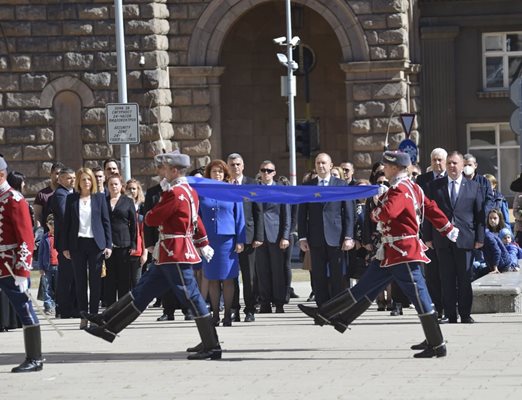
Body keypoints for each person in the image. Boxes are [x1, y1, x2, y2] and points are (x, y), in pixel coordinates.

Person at [299, 150, 459, 358]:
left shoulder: (400, 189)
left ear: (395, 168)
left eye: (387, 166)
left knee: (420, 295)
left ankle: (437, 344)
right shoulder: (413, 187)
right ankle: (330, 315)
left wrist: (377, 202)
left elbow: (385, 214)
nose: (384, 168)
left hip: (403, 252)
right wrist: (447, 228)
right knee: (366, 287)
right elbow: (431, 208)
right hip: (392, 251)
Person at [81, 151, 221, 360]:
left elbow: (153, 219)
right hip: (169, 252)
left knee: (191, 296)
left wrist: (151, 210)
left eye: (163, 168)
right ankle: (107, 323)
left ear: (174, 170)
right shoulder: (188, 191)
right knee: (143, 290)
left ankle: (212, 345)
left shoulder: (174, 193)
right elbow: (196, 220)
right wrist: (202, 242)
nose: (159, 171)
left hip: (176, 251)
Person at [423, 151, 485, 324]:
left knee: (465, 278)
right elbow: (428, 213)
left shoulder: (473, 186)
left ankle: (465, 314)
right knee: (446, 278)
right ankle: (450, 314)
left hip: (466, 239)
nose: (451, 166)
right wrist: (427, 237)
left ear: (462, 165)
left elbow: (479, 216)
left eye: (455, 163)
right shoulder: (435, 186)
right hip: (442, 240)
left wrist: (480, 238)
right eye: (449, 163)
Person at [0, 155, 41, 372]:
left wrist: (23, 271)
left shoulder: (14, 199)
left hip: (10, 265)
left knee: (24, 308)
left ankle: (35, 358)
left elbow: (26, 239)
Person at [298, 153, 355, 307]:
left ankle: (337, 306)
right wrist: (302, 237)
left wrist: (349, 236)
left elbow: (349, 212)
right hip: (315, 237)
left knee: (337, 275)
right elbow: (302, 213)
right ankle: (322, 307)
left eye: (323, 163)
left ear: (330, 165)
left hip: (336, 237)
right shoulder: (308, 186)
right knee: (318, 275)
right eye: (318, 163)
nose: (320, 166)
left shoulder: (341, 185)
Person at [63, 167, 112, 329]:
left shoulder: (99, 198)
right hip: (77, 244)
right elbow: (66, 225)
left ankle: (94, 316)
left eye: (89, 179)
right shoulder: (71, 199)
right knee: (80, 282)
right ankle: (83, 316)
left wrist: (108, 244)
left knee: (96, 282)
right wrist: (65, 246)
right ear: (78, 181)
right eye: (83, 179)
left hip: (96, 244)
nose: (86, 182)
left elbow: (106, 222)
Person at [198, 159, 245, 326]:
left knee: (228, 278)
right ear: (208, 174)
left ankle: (227, 315)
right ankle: (215, 314)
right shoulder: (202, 191)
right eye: (213, 171)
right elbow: (198, 217)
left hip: (227, 239)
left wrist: (240, 240)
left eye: (220, 171)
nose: (217, 174)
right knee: (211, 278)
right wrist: (199, 241)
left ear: (225, 174)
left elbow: (239, 217)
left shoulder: (232, 190)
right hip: (209, 240)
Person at [227, 153, 264, 323]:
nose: (235, 167)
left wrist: (259, 235)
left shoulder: (252, 184)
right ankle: (234, 308)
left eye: (238, 164)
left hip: (248, 236)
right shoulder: (224, 185)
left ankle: (250, 309)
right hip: (228, 237)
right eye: (232, 164)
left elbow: (258, 212)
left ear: (243, 166)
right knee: (231, 276)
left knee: (249, 277)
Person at [415, 147, 447, 320]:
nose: (437, 163)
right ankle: (438, 308)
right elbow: (421, 211)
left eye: (440, 160)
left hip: (449, 233)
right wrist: (426, 237)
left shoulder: (451, 179)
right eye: (434, 160)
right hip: (429, 234)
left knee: (448, 273)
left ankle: (451, 306)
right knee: (433, 274)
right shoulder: (423, 180)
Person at [256, 160, 291, 313]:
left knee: (277, 271)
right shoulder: (254, 189)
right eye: (263, 170)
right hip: (258, 236)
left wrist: (285, 236)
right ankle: (265, 302)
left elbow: (286, 215)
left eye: (269, 171)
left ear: (274, 173)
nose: (266, 173)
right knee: (262, 271)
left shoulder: (281, 189)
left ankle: (279, 302)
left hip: (276, 235)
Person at [47, 167, 78, 319]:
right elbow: (65, 216)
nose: (72, 180)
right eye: (68, 178)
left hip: (72, 241)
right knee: (66, 277)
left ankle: (71, 307)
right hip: (66, 242)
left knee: (73, 275)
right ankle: (64, 309)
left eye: (73, 177)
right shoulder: (60, 194)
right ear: (60, 180)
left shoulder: (71, 193)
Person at [105, 174, 137, 306]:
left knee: (124, 278)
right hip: (108, 245)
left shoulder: (127, 201)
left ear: (121, 186)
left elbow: (134, 224)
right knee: (109, 278)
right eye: (111, 184)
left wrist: (133, 244)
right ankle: (110, 306)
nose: (113, 187)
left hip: (124, 243)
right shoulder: (103, 201)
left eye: (116, 184)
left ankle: (123, 306)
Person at [125, 178, 148, 287]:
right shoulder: (122, 205)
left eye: (134, 188)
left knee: (137, 278)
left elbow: (145, 232)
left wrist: (145, 252)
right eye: (129, 189)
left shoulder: (143, 207)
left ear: (138, 190)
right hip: (125, 246)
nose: (132, 191)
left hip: (139, 247)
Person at [37, 214, 59, 315]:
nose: (53, 226)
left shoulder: (61, 237)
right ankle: (48, 307)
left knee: (58, 287)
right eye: (51, 224)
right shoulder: (45, 238)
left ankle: (58, 305)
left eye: (55, 223)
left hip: (59, 266)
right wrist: (41, 267)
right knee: (47, 288)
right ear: (47, 224)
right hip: (47, 267)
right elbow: (40, 254)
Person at [33, 162, 65, 229]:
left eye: (61, 174)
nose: (59, 177)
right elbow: (37, 216)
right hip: (47, 234)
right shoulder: (41, 194)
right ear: (50, 174)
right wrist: (38, 232)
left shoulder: (68, 194)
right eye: (57, 173)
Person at [463, 153, 495, 218]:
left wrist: (484, 212)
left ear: (475, 165)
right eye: (465, 165)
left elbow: (489, 199)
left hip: (480, 218)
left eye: (469, 165)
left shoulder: (484, 181)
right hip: (463, 218)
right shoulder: (458, 181)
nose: (467, 167)